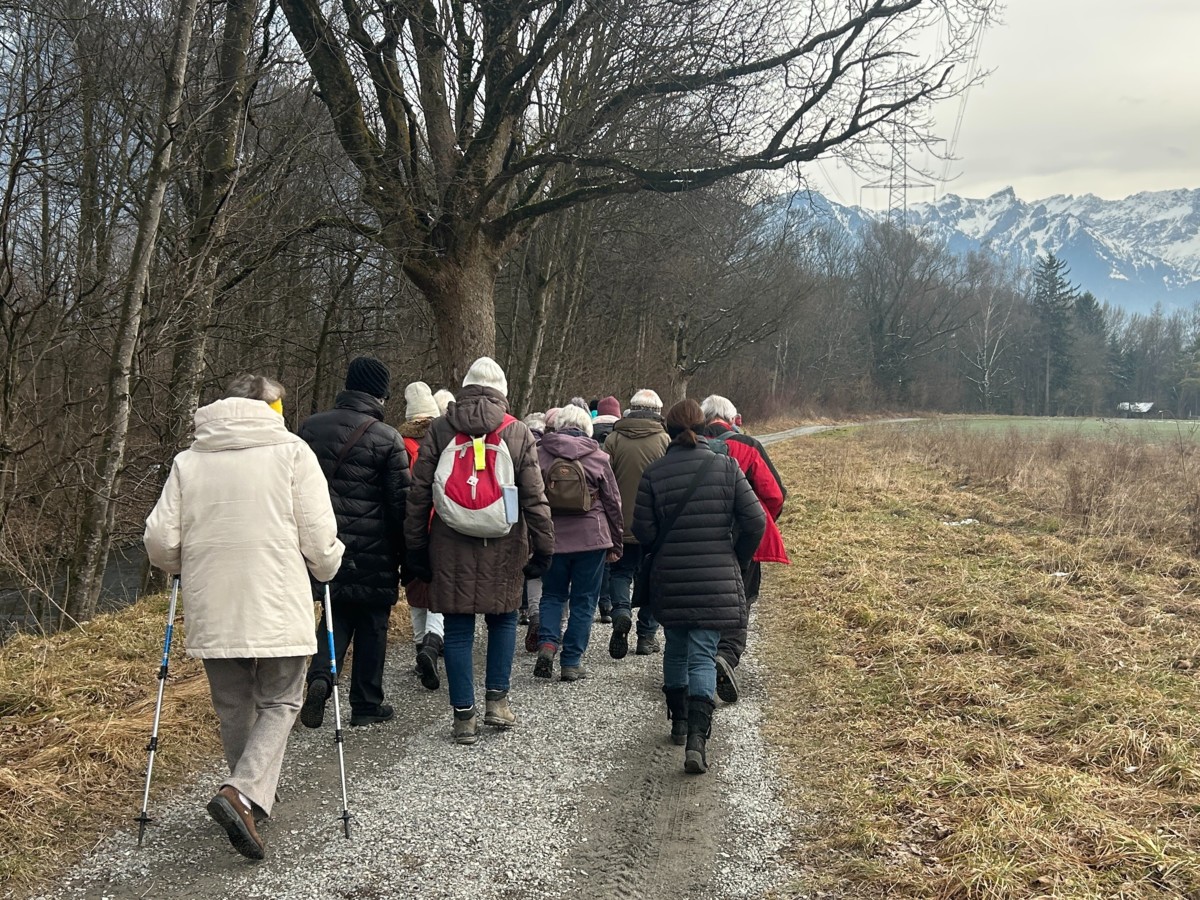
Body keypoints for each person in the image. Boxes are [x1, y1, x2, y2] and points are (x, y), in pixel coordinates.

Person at [144, 374, 344, 859]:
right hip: (277, 599)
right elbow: (319, 539)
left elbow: (160, 541)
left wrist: (183, 565)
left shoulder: (189, 460)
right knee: (282, 700)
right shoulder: (293, 452)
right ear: (272, 407)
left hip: (213, 603)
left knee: (233, 704)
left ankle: (247, 799)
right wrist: (327, 566)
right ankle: (243, 792)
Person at [404, 357, 554, 745]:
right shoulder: (517, 431)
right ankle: (497, 703)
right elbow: (534, 497)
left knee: (457, 630)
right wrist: (544, 548)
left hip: (449, 542)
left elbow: (419, 494)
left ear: (466, 388)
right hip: (504, 544)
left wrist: (415, 547)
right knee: (502, 621)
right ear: (502, 392)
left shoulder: (440, 429)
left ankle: (463, 717)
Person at [632, 399, 765, 774]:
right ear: (705, 428)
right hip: (716, 576)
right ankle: (696, 740)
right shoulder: (727, 467)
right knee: (703, 655)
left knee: (675, 648)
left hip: (670, 576)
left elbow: (642, 530)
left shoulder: (654, 473)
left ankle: (677, 723)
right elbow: (756, 521)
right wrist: (737, 558)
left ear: (668, 430)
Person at [296, 356, 410, 728]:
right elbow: (400, 504)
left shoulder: (310, 428)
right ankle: (366, 703)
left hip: (323, 541)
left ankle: (320, 677)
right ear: (380, 393)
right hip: (375, 549)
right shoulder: (387, 437)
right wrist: (409, 555)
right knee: (373, 623)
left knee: (335, 614)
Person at [700, 395, 790, 703]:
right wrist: (762, 521)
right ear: (732, 419)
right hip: (743, 537)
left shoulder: (689, 443)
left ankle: (699, 657)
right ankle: (726, 654)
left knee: (701, 594)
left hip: (698, 535)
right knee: (742, 597)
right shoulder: (749, 446)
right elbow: (775, 494)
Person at [533, 404, 623, 681]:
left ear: (557, 426)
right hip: (591, 539)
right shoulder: (598, 456)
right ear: (587, 428)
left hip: (552, 537)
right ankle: (571, 662)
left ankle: (548, 644)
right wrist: (616, 542)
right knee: (584, 601)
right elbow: (613, 503)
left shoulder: (540, 454)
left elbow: (530, 497)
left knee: (552, 595)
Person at [603, 389, 670, 658]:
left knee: (620, 572)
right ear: (657, 411)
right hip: (653, 524)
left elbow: (603, 480)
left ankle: (621, 612)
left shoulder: (614, 439)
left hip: (620, 522)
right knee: (653, 578)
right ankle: (646, 636)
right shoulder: (665, 440)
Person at [399, 380, 445, 690]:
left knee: (415, 590)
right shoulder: (443, 441)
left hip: (409, 527)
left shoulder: (398, 442)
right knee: (440, 591)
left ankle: (420, 650)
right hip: (440, 526)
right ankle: (432, 644)